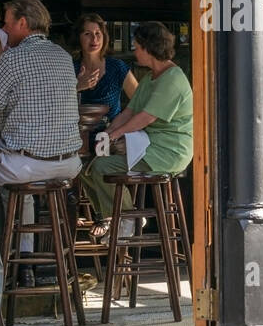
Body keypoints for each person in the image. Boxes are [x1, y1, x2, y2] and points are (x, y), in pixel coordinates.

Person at [0, 0, 82, 283]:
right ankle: (24, 265)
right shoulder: (63, 55)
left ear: (22, 23)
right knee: (17, 191)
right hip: (68, 165)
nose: (4, 29)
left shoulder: (12, 58)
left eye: (7, 22)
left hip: (25, 163)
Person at [82, 21, 193, 238]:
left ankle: (127, 218)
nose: (135, 52)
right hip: (147, 146)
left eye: (137, 46)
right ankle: (117, 215)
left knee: (103, 167)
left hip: (167, 152)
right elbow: (129, 112)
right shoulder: (150, 77)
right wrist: (108, 132)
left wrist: (115, 135)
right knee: (85, 167)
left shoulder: (172, 78)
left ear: (148, 47)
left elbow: (146, 117)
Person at [72, 13, 138, 121]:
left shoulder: (117, 67)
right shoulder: (70, 68)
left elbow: (140, 103)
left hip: (111, 134)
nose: (94, 39)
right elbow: (55, 104)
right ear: (78, 37)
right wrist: (77, 87)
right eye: (87, 34)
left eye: (98, 33)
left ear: (104, 36)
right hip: (77, 135)